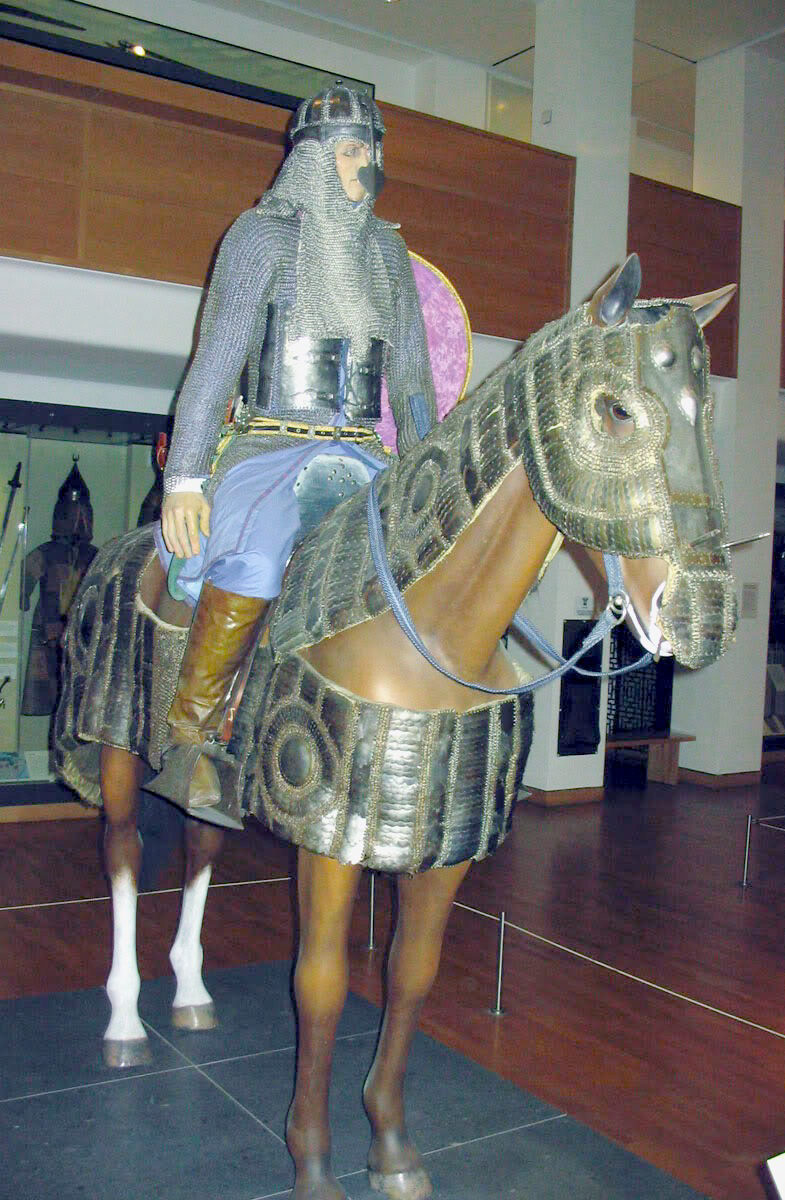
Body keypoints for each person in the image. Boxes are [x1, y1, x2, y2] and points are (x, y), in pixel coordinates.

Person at [150, 85, 436, 828]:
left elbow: (410, 379)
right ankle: (191, 739)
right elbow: (214, 365)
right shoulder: (261, 237)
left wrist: (429, 470)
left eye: (373, 151)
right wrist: (185, 478)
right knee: (255, 557)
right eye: (352, 151)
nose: (368, 165)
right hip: (273, 446)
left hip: (366, 454)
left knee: (435, 563)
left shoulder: (388, 250)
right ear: (311, 159)